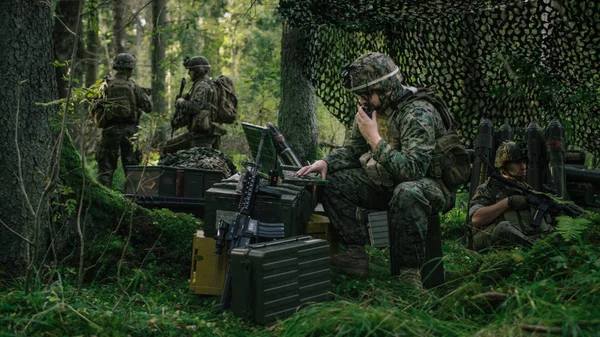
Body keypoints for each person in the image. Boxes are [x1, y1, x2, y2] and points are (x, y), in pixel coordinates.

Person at [297, 52, 460, 288]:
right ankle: (355, 255)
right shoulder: (373, 110)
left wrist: (374, 138)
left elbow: (413, 170)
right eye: (360, 95)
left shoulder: (417, 113)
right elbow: (353, 151)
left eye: (366, 95)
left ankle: (409, 273)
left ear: (387, 90)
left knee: (408, 192)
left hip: (430, 186)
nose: (362, 101)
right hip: (389, 180)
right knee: (331, 181)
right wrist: (327, 163)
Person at [469, 141, 556, 251]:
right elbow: (476, 219)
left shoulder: (528, 190)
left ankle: (536, 247)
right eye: (517, 163)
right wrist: (508, 202)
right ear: (504, 165)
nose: (523, 167)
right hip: (493, 238)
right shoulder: (489, 188)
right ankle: (535, 249)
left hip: (525, 238)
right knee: (504, 228)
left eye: (524, 162)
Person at [93, 53, 152, 188]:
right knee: (132, 167)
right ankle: (132, 200)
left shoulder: (106, 84)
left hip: (110, 130)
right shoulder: (133, 85)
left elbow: (96, 104)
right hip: (130, 131)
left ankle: (104, 195)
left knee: (106, 167)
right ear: (129, 69)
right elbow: (148, 107)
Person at [161, 56, 227, 154]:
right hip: (203, 134)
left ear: (197, 71)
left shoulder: (202, 86)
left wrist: (181, 102)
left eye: (190, 70)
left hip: (201, 136)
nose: (188, 73)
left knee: (168, 147)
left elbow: (194, 107)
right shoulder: (207, 83)